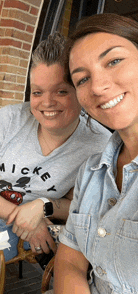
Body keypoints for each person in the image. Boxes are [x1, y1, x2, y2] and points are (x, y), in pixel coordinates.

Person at [0, 32, 111, 262]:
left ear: (79, 90)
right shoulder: (7, 119)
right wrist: (26, 220)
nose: (47, 103)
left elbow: (79, 207)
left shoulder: (98, 143)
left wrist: (42, 206)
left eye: (61, 90)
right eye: (37, 92)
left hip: (15, 225)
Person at [54, 13, 138, 294]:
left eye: (114, 61)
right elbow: (70, 260)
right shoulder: (91, 171)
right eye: (82, 79)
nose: (98, 87)